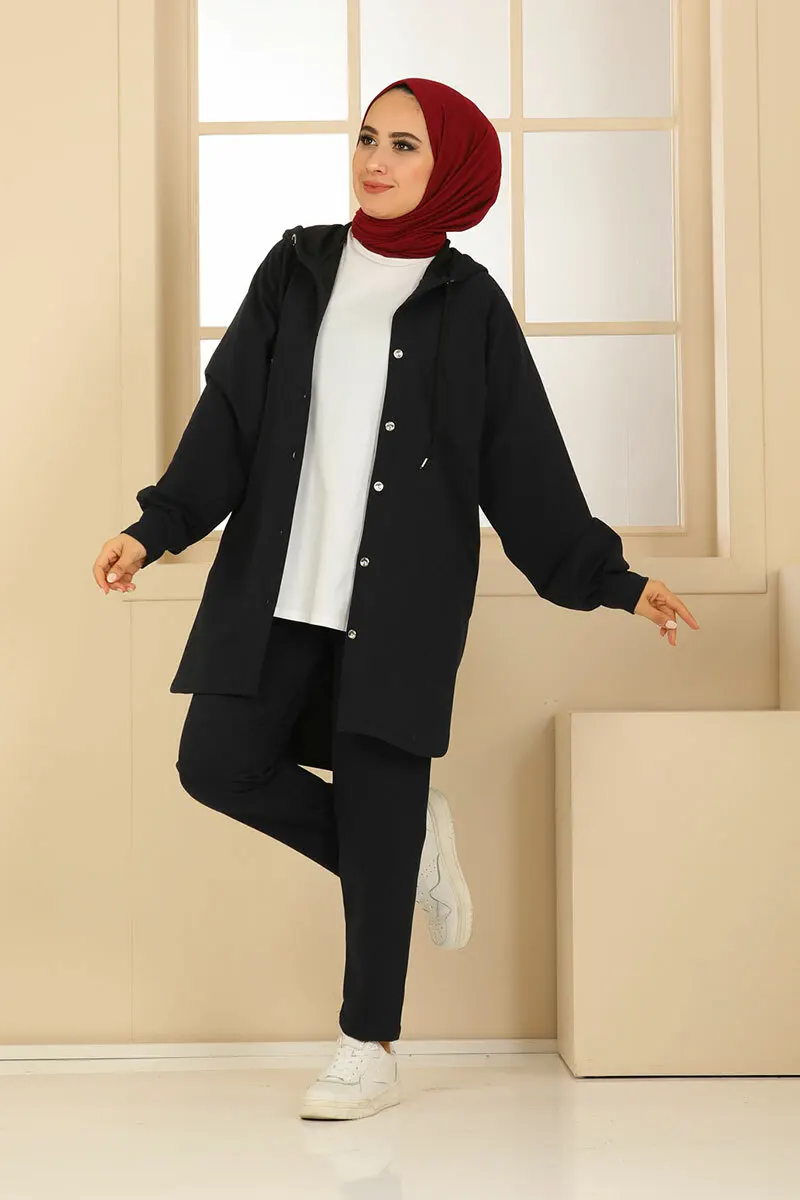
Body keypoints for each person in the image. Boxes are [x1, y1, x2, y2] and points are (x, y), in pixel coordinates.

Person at [92, 77, 699, 1122]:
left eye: (405, 145)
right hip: (281, 587)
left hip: (402, 604)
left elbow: (521, 461)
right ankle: (408, 843)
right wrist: (155, 528)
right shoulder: (296, 268)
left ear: (449, 167)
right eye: (368, 137)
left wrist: (611, 577)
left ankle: (367, 1045)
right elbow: (229, 417)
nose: (375, 159)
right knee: (217, 763)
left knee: (378, 796)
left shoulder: (470, 307)